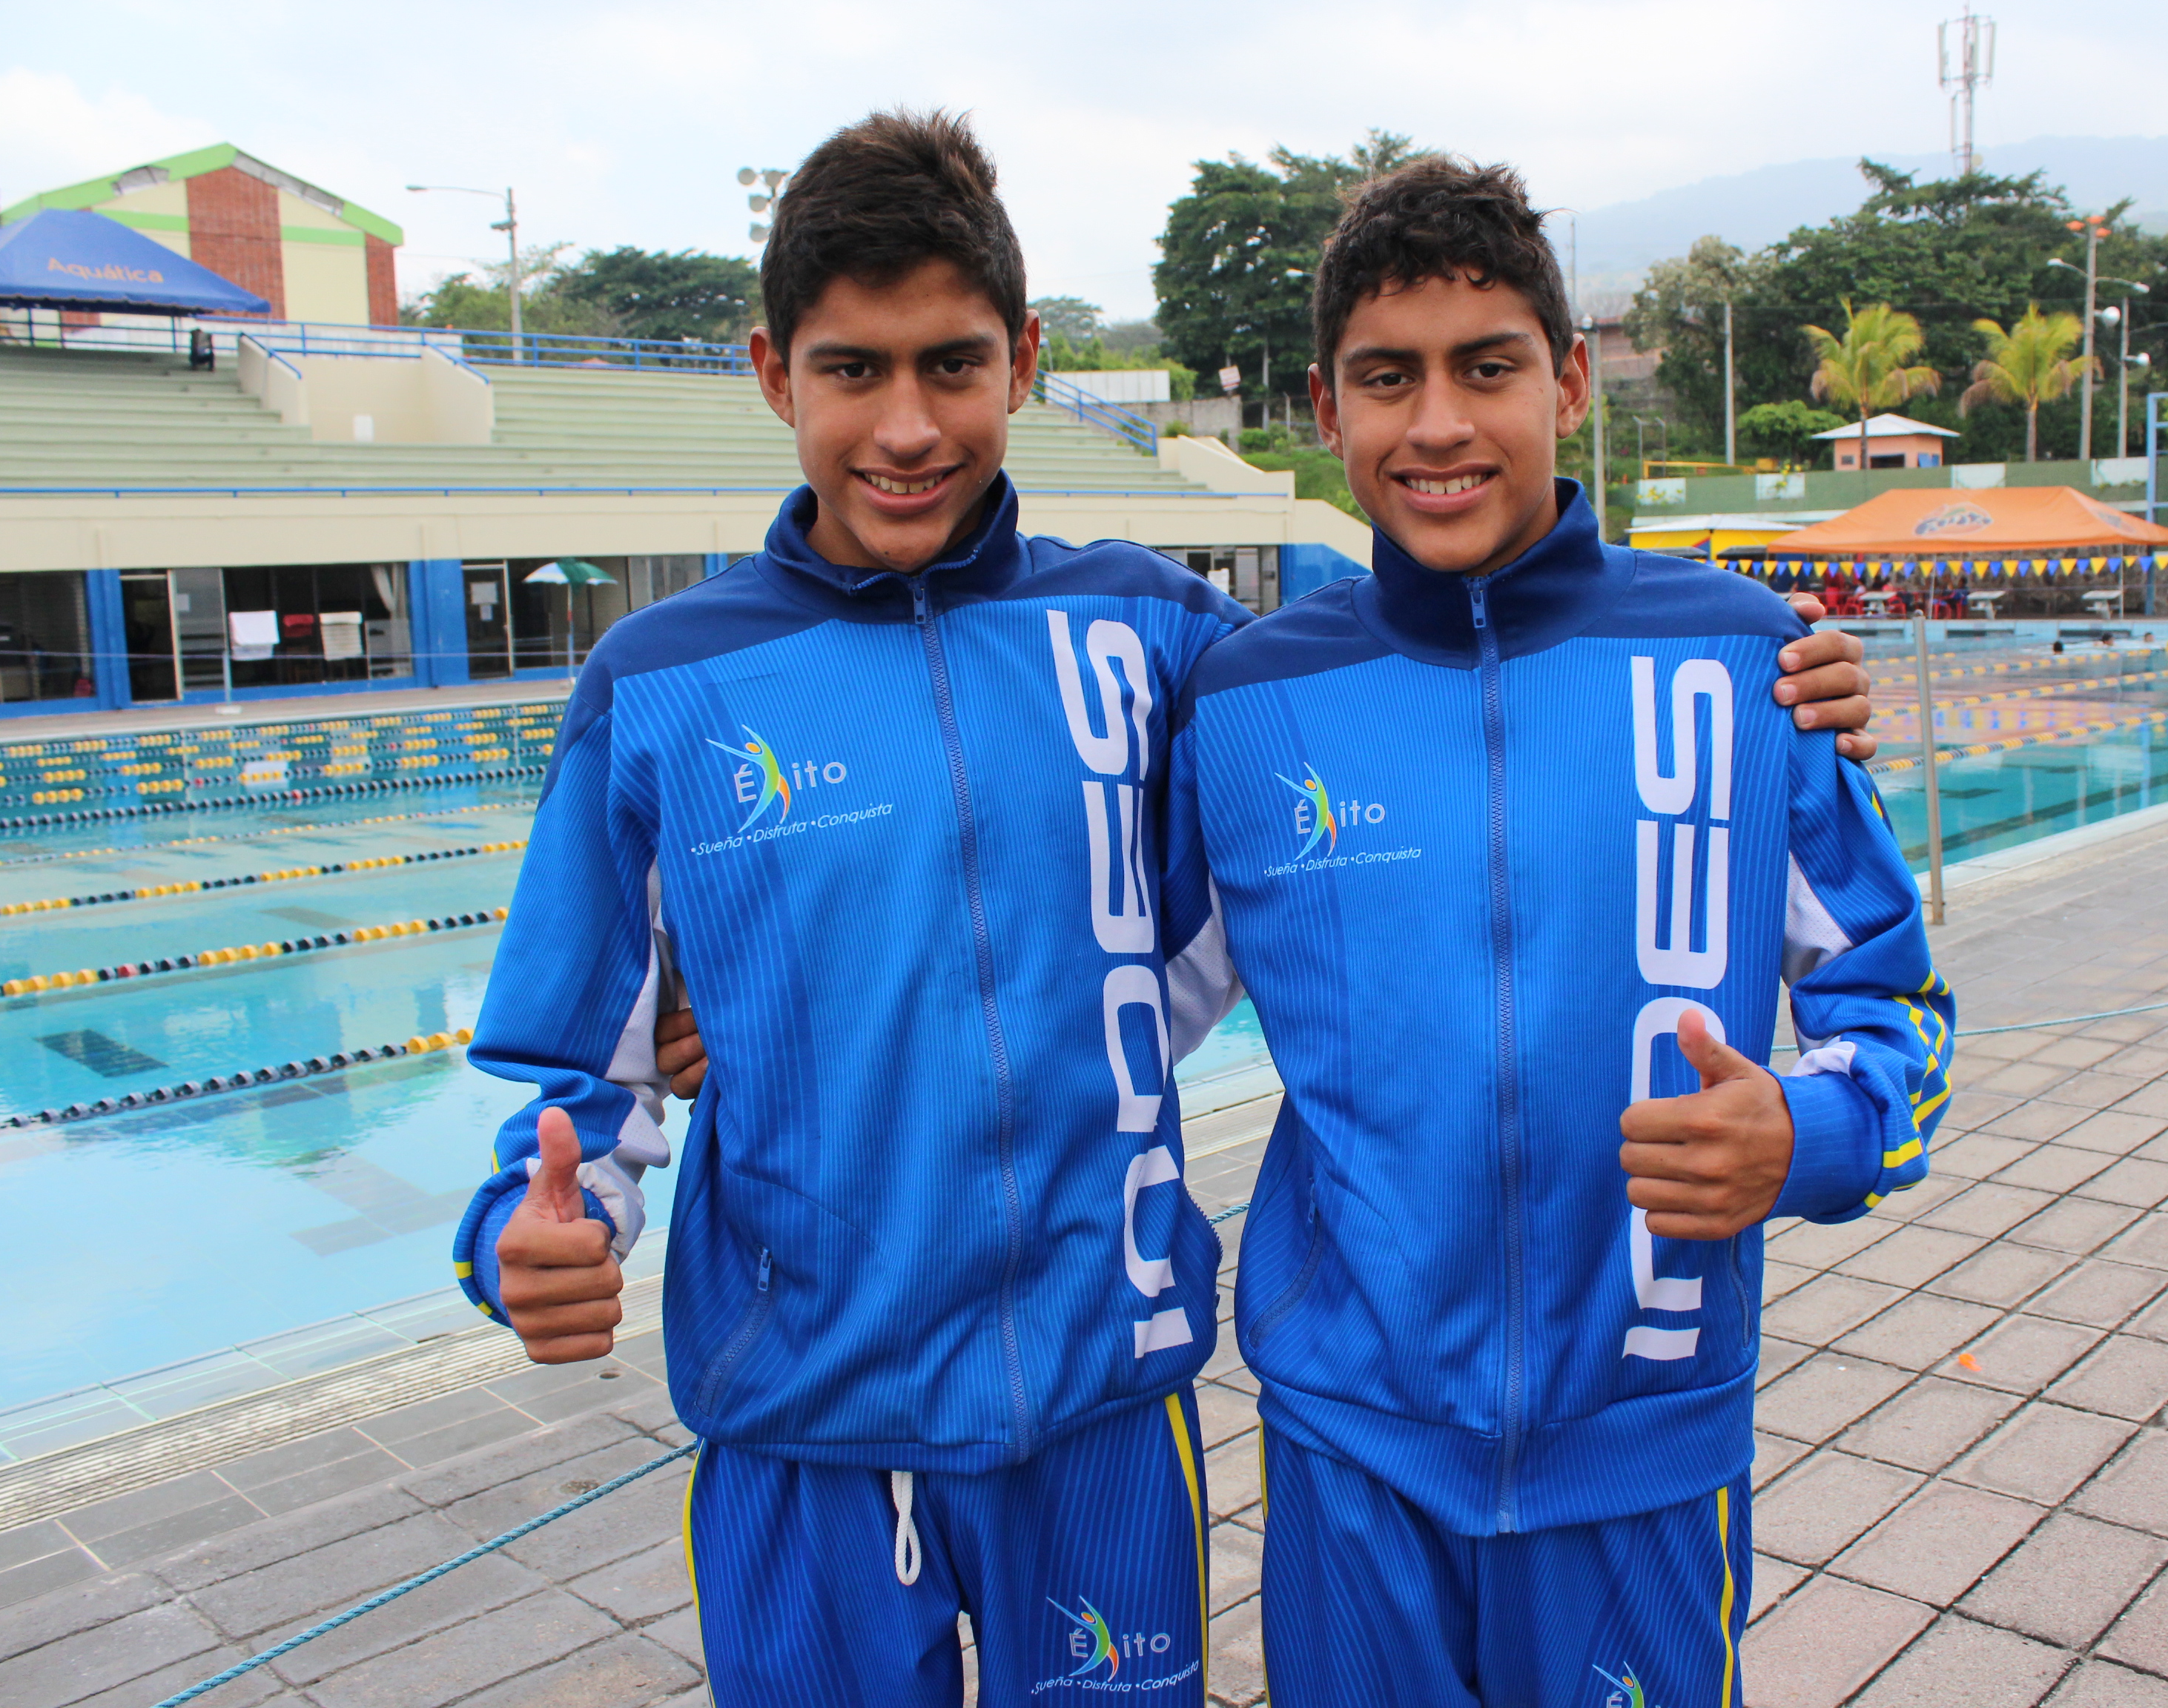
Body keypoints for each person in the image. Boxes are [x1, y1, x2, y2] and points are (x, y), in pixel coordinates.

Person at [472, 113, 1878, 1708]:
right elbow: (570, 1069)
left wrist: (1790, 680)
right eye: (853, 370)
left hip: (1104, 1412)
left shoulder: (1161, 635)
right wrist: (539, 1221)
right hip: (804, 1426)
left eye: (953, 365)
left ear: (1022, 360)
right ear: (771, 373)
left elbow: (1408, 698)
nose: (908, 425)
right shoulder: (660, 687)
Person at [1154, 157, 1949, 1703]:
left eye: (1488, 367)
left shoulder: (1746, 667)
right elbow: (1100, 1010)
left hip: (1641, 1442)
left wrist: (1808, 1134)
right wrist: (733, 1019)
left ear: (1569, 381)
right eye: (1389, 378)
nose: (1438, 423)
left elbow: (1901, 1015)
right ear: (1327, 406)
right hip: (1352, 1446)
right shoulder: (1251, 703)